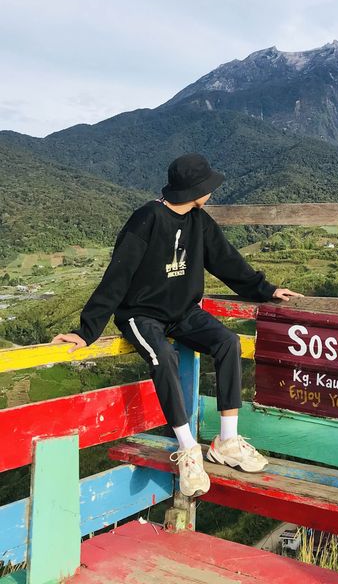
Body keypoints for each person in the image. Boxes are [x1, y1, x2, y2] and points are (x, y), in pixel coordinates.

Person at [52, 152, 304, 498]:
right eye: (208, 186)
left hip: (183, 312)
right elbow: (117, 276)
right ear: (194, 189)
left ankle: (227, 440)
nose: (212, 191)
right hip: (142, 315)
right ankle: (188, 449)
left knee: (227, 342)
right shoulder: (147, 219)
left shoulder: (199, 221)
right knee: (164, 357)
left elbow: (227, 262)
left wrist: (265, 289)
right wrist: (86, 331)